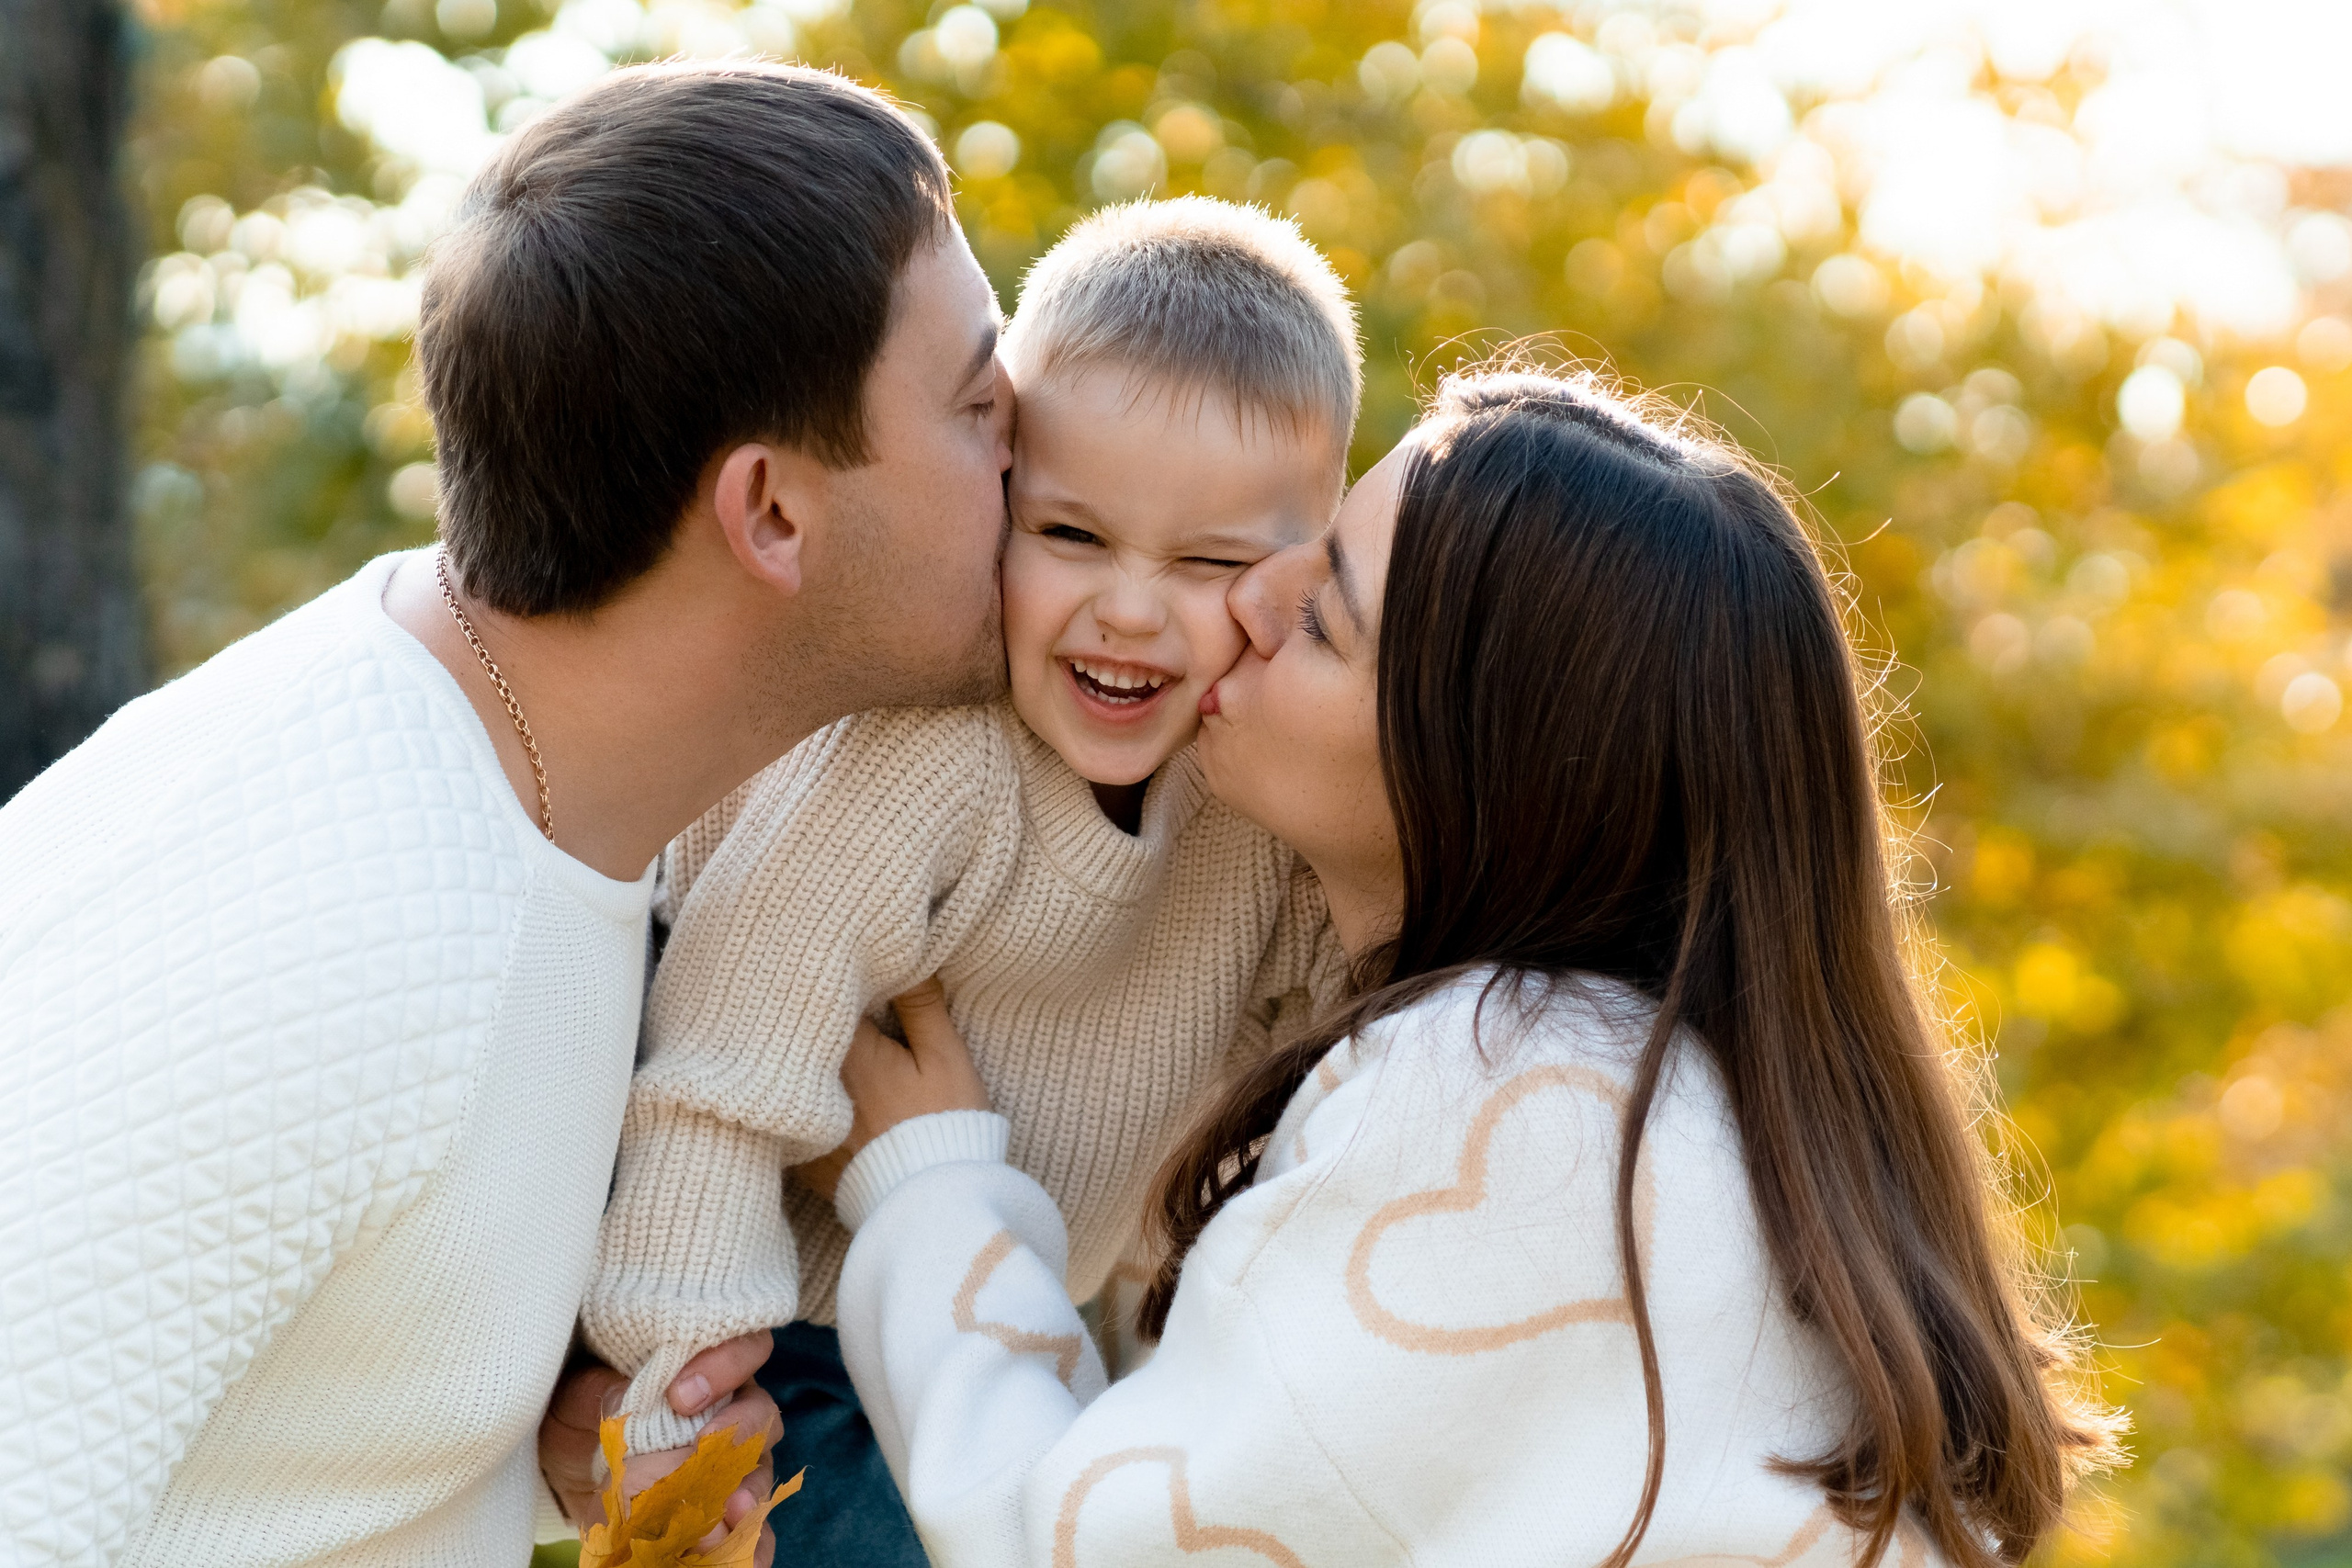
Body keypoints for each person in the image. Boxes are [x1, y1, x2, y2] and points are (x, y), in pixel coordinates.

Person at [815, 370, 2125, 1565]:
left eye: (1325, 617)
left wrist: (932, 1188)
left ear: (1475, 769)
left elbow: (1083, 1550)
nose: (1252, 601)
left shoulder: (1515, 1090)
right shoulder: (1695, 1107)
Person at [0, 62, 1008, 1566]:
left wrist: (530, 1452)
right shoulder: (320, 929)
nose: (1037, 448)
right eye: (980, 401)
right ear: (773, 516)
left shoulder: (592, 812)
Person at [575, 197, 1358, 1564]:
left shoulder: (1255, 803)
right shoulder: (921, 765)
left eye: (1210, 563)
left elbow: (1318, 1042)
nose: (1128, 608)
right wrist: (677, 1409)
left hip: (1032, 1338)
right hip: (808, 1344)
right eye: (1071, 537)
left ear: (1305, 566)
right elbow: (716, 1074)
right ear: (997, 488)